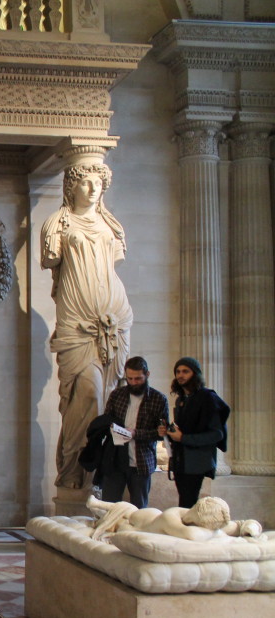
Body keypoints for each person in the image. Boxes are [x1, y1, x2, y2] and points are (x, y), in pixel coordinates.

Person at [41, 163, 133, 489]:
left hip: (115, 318)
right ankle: (75, 472)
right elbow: (51, 259)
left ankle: (102, 477)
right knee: (87, 394)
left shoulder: (111, 224)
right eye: (85, 182)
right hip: (76, 322)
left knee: (111, 396)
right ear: (71, 187)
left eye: (98, 183)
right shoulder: (58, 223)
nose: (92, 189)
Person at [158, 357, 230, 508]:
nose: (180, 375)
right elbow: (184, 429)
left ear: (195, 374)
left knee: (188, 504)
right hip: (181, 460)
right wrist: (169, 432)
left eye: (185, 371)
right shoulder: (182, 399)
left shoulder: (207, 397)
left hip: (195, 461)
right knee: (184, 502)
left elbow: (216, 434)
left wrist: (183, 438)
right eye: (178, 371)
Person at [98, 356, 169, 507]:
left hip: (141, 461)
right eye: (129, 378)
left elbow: (161, 433)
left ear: (147, 375)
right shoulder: (117, 395)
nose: (133, 383)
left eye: (138, 379)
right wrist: (111, 428)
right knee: (109, 506)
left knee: (140, 509)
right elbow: (106, 420)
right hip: (116, 459)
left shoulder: (158, 399)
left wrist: (136, 433)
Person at [87, 495, 261, 542]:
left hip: (138, 525)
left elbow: (242, 524)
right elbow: (191, 536)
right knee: (127, 512)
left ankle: (99, 507)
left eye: (194, 508)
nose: (189, 509)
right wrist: (216, 533)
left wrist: (250, 529)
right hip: (141, 519)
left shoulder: (211, 523)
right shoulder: (173, 516)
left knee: (125, 518)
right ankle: (99, 506)